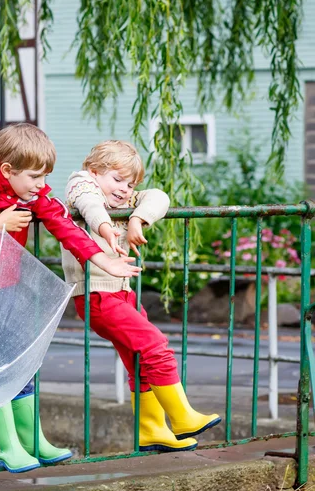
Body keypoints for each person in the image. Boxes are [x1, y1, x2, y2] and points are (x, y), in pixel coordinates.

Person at [0, 123, 141, 472]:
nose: (40, 185)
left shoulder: (32, 193)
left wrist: (101, 257)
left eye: (43, 177)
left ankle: (33, 439)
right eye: (34, 177)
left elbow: (64, 225)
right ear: (7, 170)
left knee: (19, 358)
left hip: (4, 285)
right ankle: (8, 447)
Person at [62, 140, 220, 452]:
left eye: (130, 183)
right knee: (155, 345)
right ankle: (182, 416)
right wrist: (107, 228)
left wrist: (137, 218)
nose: (124, 189)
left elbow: (158, 196)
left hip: (121, 292)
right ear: (93, 171)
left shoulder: (125, 198)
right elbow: (90, 206)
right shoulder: (82, 185)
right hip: (96, 294)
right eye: (117, 179)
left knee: (139, 359)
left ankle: (151, 431)